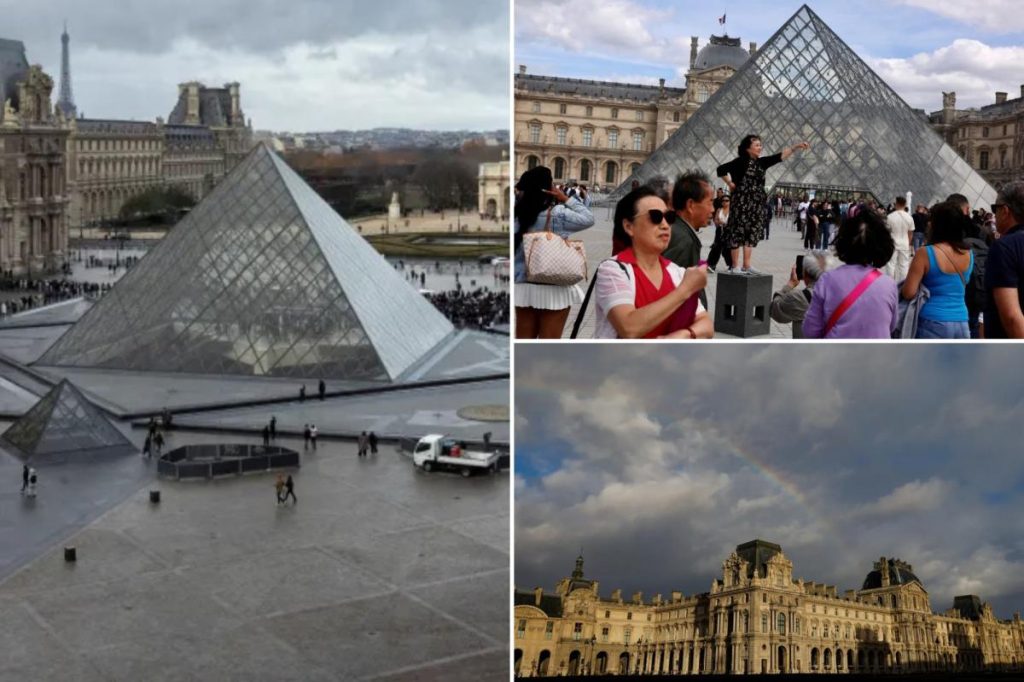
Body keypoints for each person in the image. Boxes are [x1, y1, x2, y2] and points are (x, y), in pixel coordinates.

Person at [593, 185, 712, 339]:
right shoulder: (612, 270)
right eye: (655, 217)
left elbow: (706, 324)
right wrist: (685, 289)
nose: (665, 225)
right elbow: (629, 327)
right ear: (629, 226)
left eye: (669, 218)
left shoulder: (676, 271)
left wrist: (685, 334)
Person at [514, 165, 594, 338]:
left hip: (524, 285)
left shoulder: (517, 213)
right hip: (554, 285)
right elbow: (589, 218)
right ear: (549, 188)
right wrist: (565, 198)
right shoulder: (558, 213)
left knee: (522, 344)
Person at [716, 135, 810, 274]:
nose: (760, 147)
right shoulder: (739, 162)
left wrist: (795, 147)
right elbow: (720, 170)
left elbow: (780, 156)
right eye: (757, 145)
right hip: (741, 202)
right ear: (748, 148)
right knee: (737, 231)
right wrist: (729, 183)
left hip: (756, 203)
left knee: (751, 232)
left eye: (760, 145)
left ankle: (746, 265)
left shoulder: (762, 162)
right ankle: (735, 266)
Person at [803, 211, 898, 338]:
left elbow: (810, 330)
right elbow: (892, 325)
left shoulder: (828, 280)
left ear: (843, 240)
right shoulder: (889, 285)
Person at [900, 201, 973, 339]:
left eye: (931, 220)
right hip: (962, 320)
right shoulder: (969, 253)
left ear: (938, 224)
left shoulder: (925, 253)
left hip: (932, 320)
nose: (928, 224)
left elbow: (908, 292)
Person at [983, 181, 1024, 338]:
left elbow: (1012, 317)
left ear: (1005, 211)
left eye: (995, 209)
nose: (994, 214)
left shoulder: (1004, 247)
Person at [770, 253, 825, 338]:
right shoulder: (841, 293)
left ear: (805, 273)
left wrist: (790, 284)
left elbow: (775, 310)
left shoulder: (800, 298)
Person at [885, 197, 916, 283]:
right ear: (905, 204)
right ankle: (902, 284)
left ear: (896, 204)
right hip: (904, 243)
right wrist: (908, 243)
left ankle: (890, 283)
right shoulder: (909, 217)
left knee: (891, 265)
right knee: (904, 266)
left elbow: (887, 232)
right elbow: (910, 233)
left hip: (893, 243)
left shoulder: (890, 217)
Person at [706, 194, 733, 272]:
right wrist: (719, 223)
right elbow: (716, 220)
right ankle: (711, 265)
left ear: (730, 202)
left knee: (727, 249)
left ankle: (731, 265)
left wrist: (724, 223)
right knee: (716, 247)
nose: (724, 202)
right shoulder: (719, 210)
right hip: (719, 231)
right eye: (723, 200)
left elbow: (733, 223)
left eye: (727, 200)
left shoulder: (732, 211)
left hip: (728, 232)